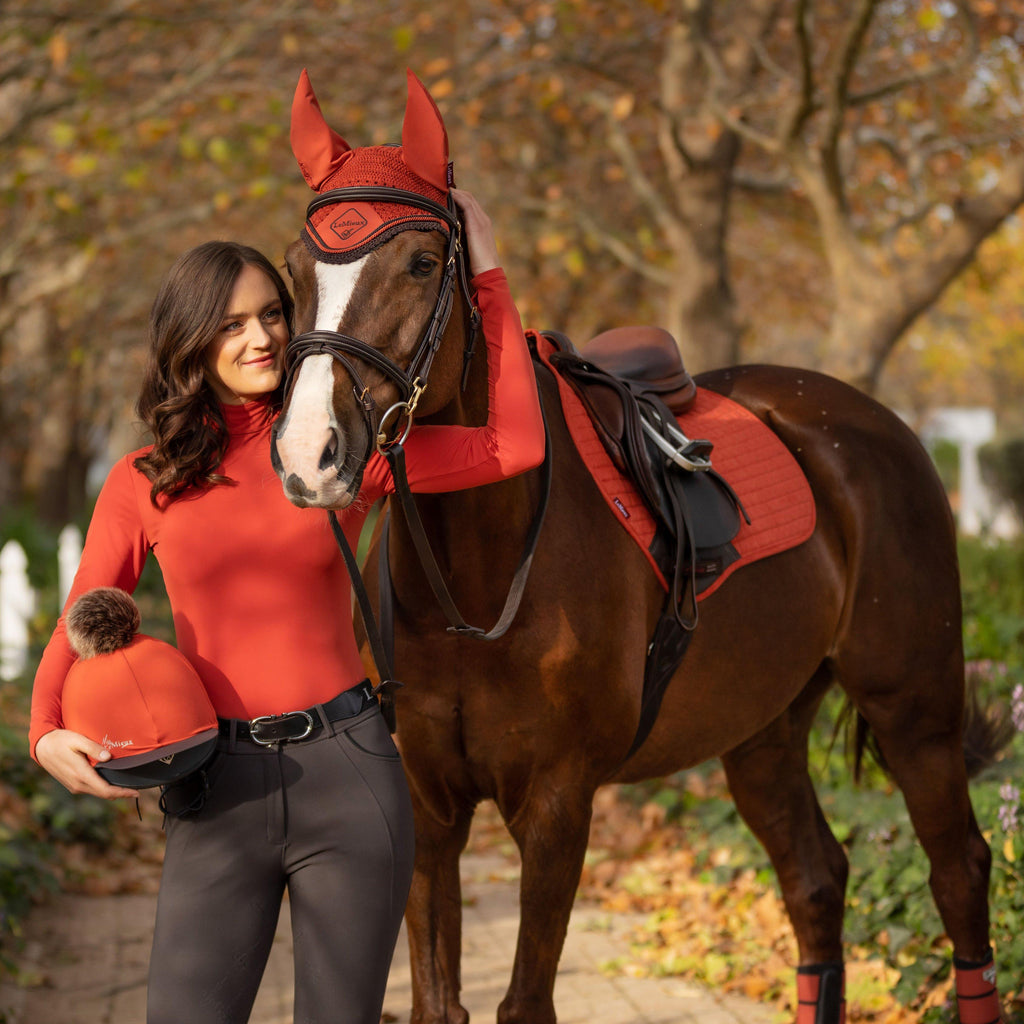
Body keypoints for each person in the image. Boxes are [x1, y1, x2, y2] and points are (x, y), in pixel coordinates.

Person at [29, 188, 545, 1024]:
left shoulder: (342, 454)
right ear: (191, 340)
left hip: (348, 775)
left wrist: (487, 273)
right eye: (231, 324)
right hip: (212, 787)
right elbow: (85, 610)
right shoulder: (145, 480)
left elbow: (511, 444)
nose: (261, 337)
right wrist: (43, 724)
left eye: (272, 313)